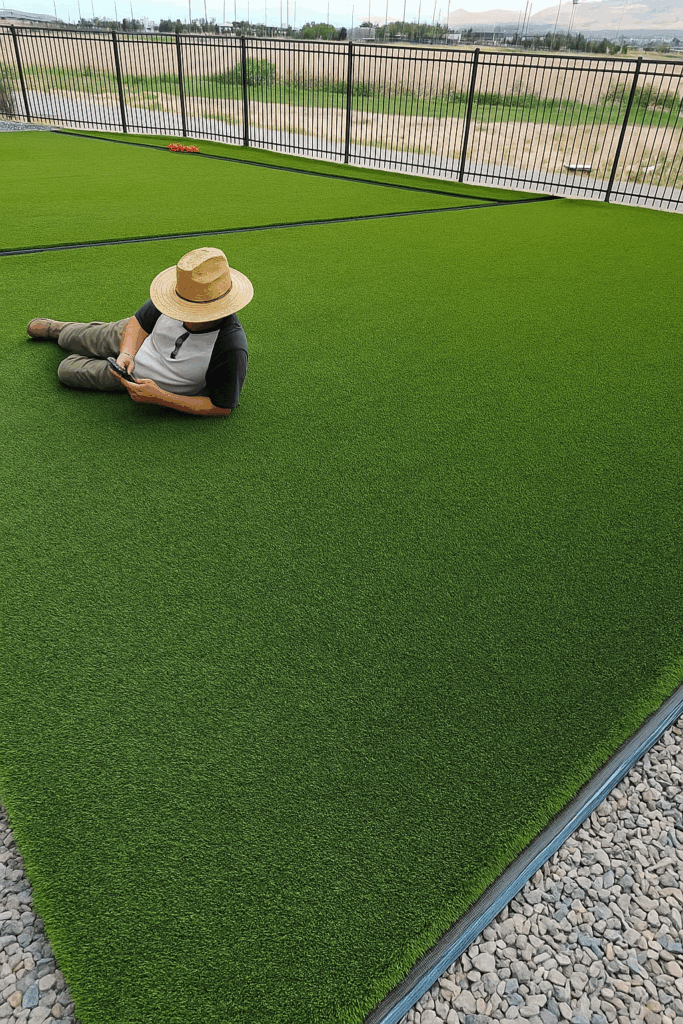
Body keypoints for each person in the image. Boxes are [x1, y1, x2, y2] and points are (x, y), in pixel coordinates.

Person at [27, 247, 253, 417]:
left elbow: (221, 407)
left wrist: (160, 397)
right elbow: (138, 323)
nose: (183, 314)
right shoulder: (176, 293)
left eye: (192, 310)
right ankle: (61, 329)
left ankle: (87, 343)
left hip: (136, 378)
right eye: (182, 305)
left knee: (66, 370)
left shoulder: (231, 348)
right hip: (132, 338)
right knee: (69, 338)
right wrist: (126, 353)